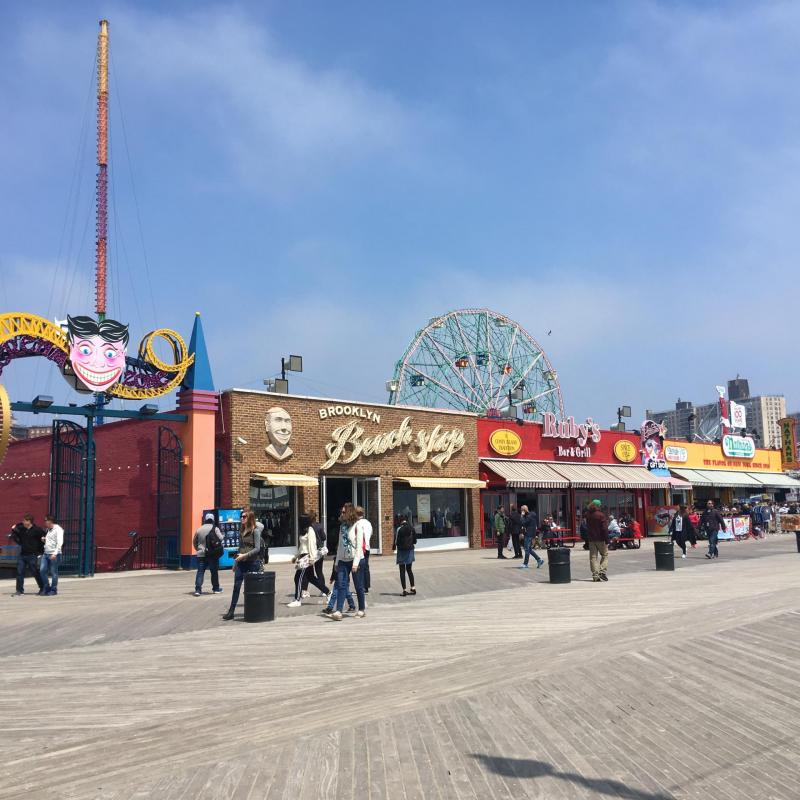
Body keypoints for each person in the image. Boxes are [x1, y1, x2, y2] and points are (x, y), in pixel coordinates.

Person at [222, 510, 262, 620]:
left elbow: (257, 549)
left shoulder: (255, 531)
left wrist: (244, 555)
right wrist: (235, 562)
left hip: (253, 563)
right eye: (241, 516)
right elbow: (239, 548)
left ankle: (255, 610)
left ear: (250, 518)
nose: (241, 518)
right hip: (241, 563)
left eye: (244, 517)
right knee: (236, 587)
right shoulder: (242, 530)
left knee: (252, 588)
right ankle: (231, 611)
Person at [329, 505, 366, 620]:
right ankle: (338, 611)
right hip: (343, 561)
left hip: (357, 559)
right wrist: (336, 562)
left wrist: (355, 563)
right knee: (341, 585)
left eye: (344, 512)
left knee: (358, 586)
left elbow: (359, 545)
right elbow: (340, 545)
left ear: (349, 513)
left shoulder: (358, 526)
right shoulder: (342, 527)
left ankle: (361, 609)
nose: (342, 513)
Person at [289, 514, 330, 607]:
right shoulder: (303, 531)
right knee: (311, 578)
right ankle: (329, 593)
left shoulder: (310, 530)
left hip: (307, 557)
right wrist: (296, 556)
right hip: (303, 556)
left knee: (298, 577)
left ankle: (297, 599)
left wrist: (312, 558)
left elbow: (312, 545)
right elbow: (302, 546)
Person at [9, 514, 45, 595]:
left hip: (32, 555)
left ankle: (42, 587)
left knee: (34, 571)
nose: (23, 522)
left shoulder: (37, 530)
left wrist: (40, 551)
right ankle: (19, 590)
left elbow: (44, 539)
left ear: (29, 521)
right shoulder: (22, 530)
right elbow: (16, 534)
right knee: (19, 572)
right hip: (22, 555)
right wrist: (14, 530)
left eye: (25, 521)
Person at [193, 512, 224, 596]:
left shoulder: (199, 529)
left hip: (201, 554)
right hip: (212, 554)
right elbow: (221, 538)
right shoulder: (215, 528)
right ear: (213, 520)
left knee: (200, 572)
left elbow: (194, 541)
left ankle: (198, 590)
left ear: (205, 520)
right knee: (214, 572)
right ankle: (216, 588)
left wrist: (198, 549)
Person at [302, 511, 327, 598]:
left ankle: (305, 591)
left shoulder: (307, 527)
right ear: (315, 517)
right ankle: (323, 591)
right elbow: (324, 537)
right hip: (318, 551)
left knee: (308, 573)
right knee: (319, 571)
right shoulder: (319, 526)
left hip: (309, 552)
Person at [392, 514, 417, 596]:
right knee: (409, 570)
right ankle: (413, 588)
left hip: (401, 551)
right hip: (410, 550)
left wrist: (394, 547)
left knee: (402, 570)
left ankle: (404, 590)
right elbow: (415, 541)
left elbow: (396, 541)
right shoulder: (411, 528)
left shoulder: (399, 529)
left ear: (400, 521)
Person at [40, 515, 64, 596]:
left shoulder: (58, 530)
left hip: (54, 554)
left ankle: (54, 589)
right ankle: (46, 587)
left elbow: (59, 542)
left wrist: (55, 553)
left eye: (45, 520)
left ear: (50, 521)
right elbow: (51, 541)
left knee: (54, 572)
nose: (44, 522)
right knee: (42, 570)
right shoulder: (48, 530)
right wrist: (44, 540)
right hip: (46, 553)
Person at [586, 499, 610, 582]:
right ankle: (602, 571)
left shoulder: (588, 514)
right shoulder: (601, 515)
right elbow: (604, 529)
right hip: (601, 539)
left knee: (593, 557)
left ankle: (595, 576)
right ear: (598, 506)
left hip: (591, 539)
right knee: (605, 555)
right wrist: (607, 540)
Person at [518, 504, 544, 569]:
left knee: (526, 549)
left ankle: (525, 564)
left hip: (528, 534)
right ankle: (539, 560)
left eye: (522, 510)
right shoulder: (532, 515)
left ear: (524, 510)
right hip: (531, 533)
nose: (521, 511)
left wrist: (522, 516)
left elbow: (523, 523)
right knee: (529, 549)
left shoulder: (528, 516)